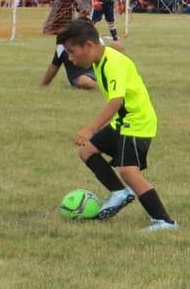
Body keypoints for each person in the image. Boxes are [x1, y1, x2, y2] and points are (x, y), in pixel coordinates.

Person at [59, 18, 177, 231]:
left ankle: (164, 221)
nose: (70, 58)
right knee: (87, 151)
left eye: (72, 51)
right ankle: (119, 192)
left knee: (129, 172)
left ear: (88, 46)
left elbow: (116, 101)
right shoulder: (101, 57)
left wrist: (90, 129)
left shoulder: (112, 63)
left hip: (137, 122)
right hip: (122, 122)